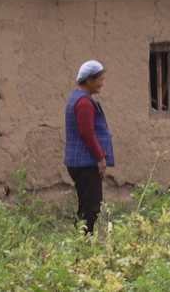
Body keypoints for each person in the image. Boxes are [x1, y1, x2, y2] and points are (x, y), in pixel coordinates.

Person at [64, 60, 114, 234]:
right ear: (89, 80)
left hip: (79, 162)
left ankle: (82, 243)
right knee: (90, 209)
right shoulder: (84, 103)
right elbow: (87, 133)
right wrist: (100, 158)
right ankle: (83, 246)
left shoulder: (77, 99)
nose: (102, 83)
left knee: (87, 206)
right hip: (85, 164)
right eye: (100, 79)